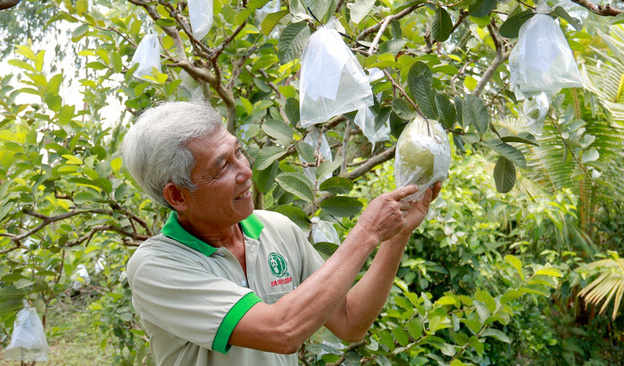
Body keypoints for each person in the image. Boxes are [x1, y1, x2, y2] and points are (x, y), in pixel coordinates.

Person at [122, 100, 442, 366]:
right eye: (222, 167)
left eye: (239, 153)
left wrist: (398, 234)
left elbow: (350, 321)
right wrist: (366, 232)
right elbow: (282, 331)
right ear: (178, 195)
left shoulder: (276, 229)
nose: (246, 171)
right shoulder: (156, 267)